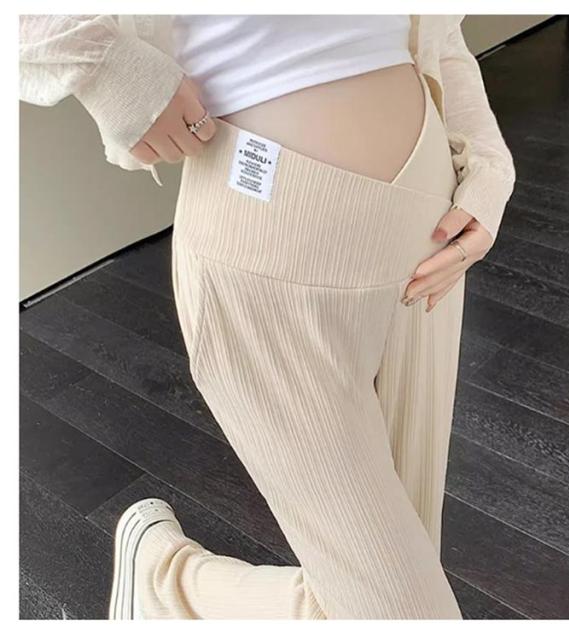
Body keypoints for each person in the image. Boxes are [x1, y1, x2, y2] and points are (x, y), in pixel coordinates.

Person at [19, 14, 515, 620]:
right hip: (271, 239)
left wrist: (489, 166)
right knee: (402, 609)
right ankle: (167, 583)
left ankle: (162, 589)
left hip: (430, 247)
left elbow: (444, 34)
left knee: (395, 570)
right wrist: (104, 65)